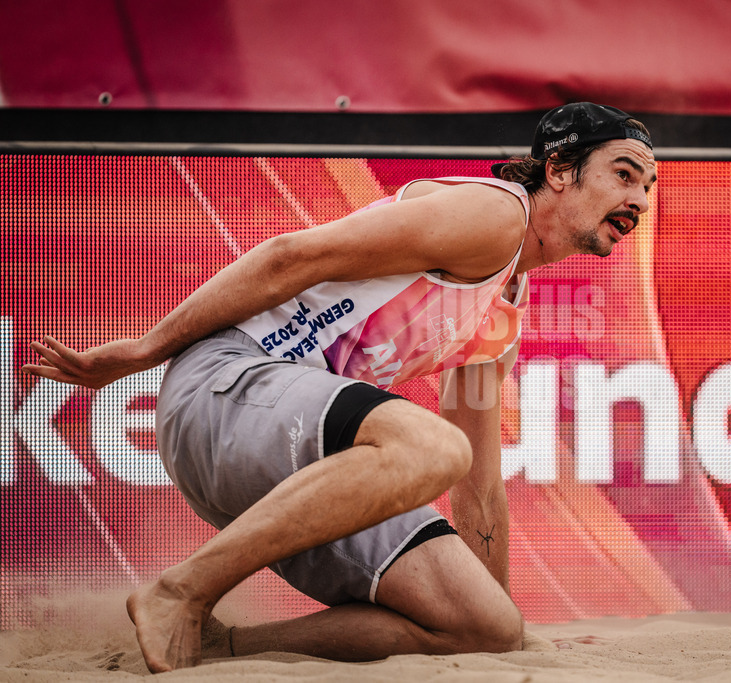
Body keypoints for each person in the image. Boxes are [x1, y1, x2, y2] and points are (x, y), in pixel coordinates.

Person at [22, 102, 657, 673]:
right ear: (559, 169)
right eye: (624, 174)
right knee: (431, 449)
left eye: (649, 186)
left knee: (480, 624)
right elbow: (289, 257)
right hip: (223, 385)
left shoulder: (502, 309)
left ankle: (219, 645)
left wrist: (508, 638)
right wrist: (140, 352)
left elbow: (482, 488)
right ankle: (183, 590)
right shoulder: (492, 214)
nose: (641, 200)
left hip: (282, 451)